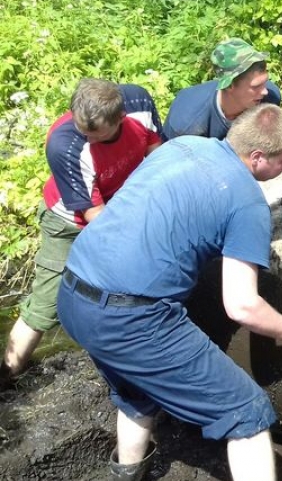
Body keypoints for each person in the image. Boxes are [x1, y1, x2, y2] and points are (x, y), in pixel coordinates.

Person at [56, 104, 282, 481]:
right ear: (257, 157)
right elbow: (241, 305)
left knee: (136, 390)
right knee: (245, 410)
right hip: (132, 318)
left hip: (75, 293)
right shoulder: (247, 205)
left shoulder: (184, 146)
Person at [0, 79, 162, 386]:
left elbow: (159, 158)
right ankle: (8, 371)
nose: (84, 136)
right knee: (47, 303)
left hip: (121, 203)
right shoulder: (65, 144)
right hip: (69, 223)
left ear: (119, 118)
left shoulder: (138, 104)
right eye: (80, 127)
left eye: (94, 134)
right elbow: (95, 218)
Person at [162, 37, 282, 141]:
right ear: (229, 85)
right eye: (256, 87)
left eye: (264, 82)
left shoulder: (270, 98)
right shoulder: (188, 122)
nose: (264, 91)